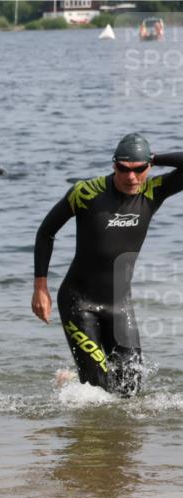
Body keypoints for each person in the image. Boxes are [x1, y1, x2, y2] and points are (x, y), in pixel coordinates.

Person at [32, 133, 182, 397]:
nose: (131, 177)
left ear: (148, 167)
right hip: (79, 302)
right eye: (124, 168)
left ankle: (70, 382)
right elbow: (46, 232)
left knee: (130, 391)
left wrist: (155, 158)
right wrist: (40, 288)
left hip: (120, 305)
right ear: (114, 165)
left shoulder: (152, 192)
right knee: (98, 393)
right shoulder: (86, 193)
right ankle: (80, 384)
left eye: (139, 169)